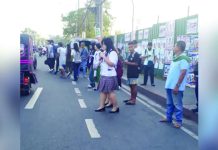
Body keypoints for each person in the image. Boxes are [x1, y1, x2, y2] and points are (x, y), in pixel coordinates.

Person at [160, 41, 190, 128]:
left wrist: (177, 86)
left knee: (177, 105)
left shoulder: (184, 59)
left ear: (179, 48)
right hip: (169, 85)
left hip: (176, 87)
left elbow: (183, 73)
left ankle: (179, 121)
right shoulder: (175, 58)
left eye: (174, 46)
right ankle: (168, 118)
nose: (173, 47)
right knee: (169, 103)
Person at [95, 37, 119, 113]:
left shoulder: (113, 53)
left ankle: (116, 107)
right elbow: (103, 62)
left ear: (107, 44)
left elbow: (112, 64)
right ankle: (102, 106)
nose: (102, 46)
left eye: (103, 44)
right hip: (104, 74)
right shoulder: (106, 52)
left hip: (110, 75)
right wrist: (100, 59)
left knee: (110, 92)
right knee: (103, 91)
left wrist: (103, 57)